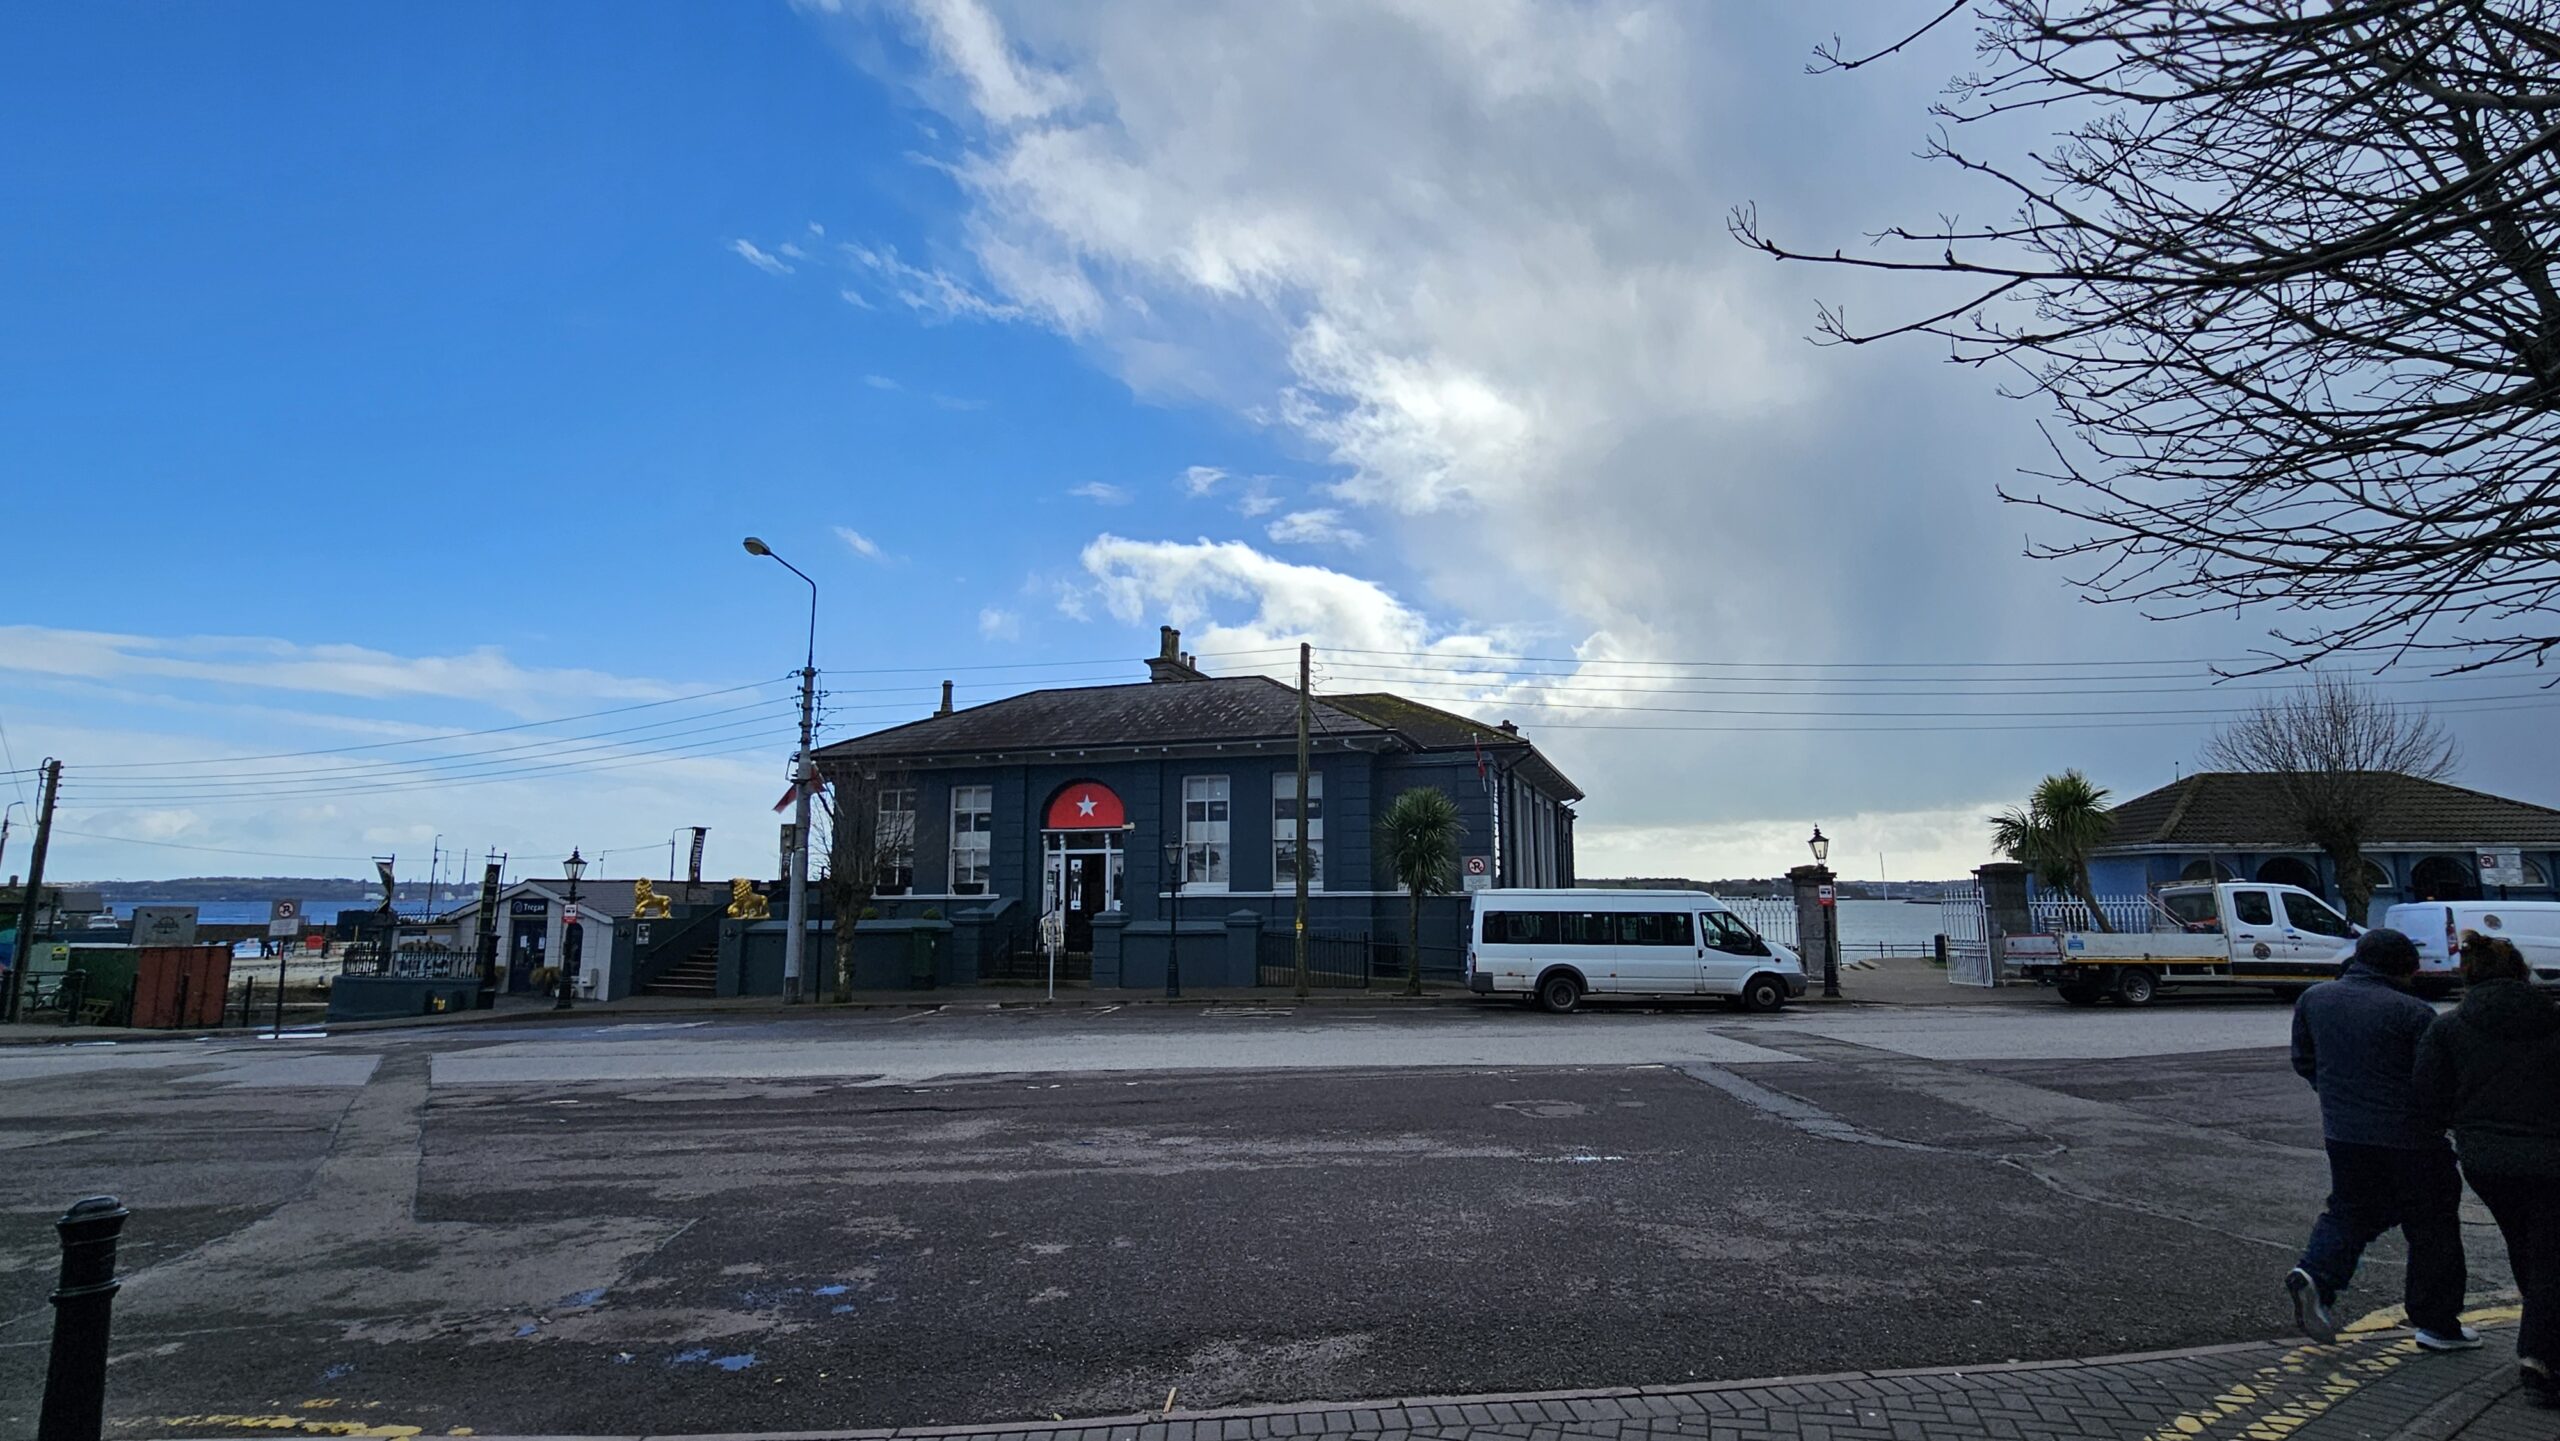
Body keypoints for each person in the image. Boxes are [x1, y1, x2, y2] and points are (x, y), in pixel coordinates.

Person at [2285, 927, 2478, 1349]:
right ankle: (2437, 1324)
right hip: (2412, 1140)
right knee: (2432, 1227)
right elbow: (2434, 1082)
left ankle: (2316, 1273)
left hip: (2344, 1134)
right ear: (2404, 969)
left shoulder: (2315, 999)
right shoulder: (2413, 1012)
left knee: (2350, 1210)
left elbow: (2304, 1060)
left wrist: (2338, 1097)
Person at [2416, 933, 2560, 1402]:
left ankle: (2544, 1345)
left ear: (2469, 975)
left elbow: (2428, 1100)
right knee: (2548, 1253)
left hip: (2487, 1160)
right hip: (2552, 1157)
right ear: (2522, 971)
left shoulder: (2449, 1028)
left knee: (2527, 1246)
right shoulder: (2553, 1019)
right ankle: (2540, 1357)